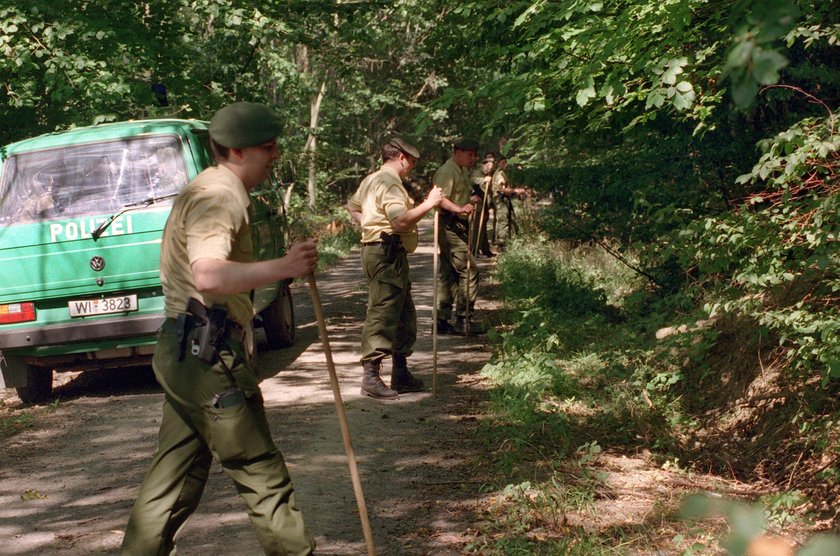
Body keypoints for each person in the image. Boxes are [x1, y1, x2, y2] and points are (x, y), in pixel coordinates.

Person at [121, 102, 318, 556]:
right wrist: (284, 266)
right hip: (207, 354)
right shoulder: (220, 194)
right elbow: (208, 275)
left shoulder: (207, 187)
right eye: (267, 148)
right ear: (234, 150)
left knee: (176, 476)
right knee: (261, 472)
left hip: (184, 351)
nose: (275, 156)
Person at [345, 135, 444, 399]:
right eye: (411, 161)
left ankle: (400, 372)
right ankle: (370, 377)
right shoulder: (389, 183)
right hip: (385, 253)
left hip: (384, 252)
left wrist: (370, 222)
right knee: (383, 312)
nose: (412, 166)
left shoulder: (371, 179)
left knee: (402, 313)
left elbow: (351, 206)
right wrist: (429, 204)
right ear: (401, 158)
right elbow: (400, 222)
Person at [433, 137, 483, 336]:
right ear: (458, 152)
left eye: (475, 155)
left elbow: (457, 196)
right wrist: (459, 209)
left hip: (457, 225)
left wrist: (470, 200)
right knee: (469, 270)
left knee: (449, 272)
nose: (473, 158)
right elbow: (440, 199)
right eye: (470, 154)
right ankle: (464, 319)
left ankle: (442, 319)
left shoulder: (461, 170)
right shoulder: (447, 171)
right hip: (448, 225)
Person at [469, 153, 496, 258]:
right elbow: (473, 180)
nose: (490, 169)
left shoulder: (487, 175)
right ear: (484, 164)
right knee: (477, 226)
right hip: (478, 203)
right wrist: (483, 180)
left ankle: (485, 249)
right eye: (489, 166)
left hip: (485, 204)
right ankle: (474, 249)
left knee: (483, 225)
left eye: (492, 167)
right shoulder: (478, 173)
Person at [492, 155, 521, 250]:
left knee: (510, 219)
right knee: (503, 220)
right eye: (503, 162)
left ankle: (511, 240)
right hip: (501, 199)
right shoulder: (500, 174)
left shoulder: (502, 173)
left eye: (506, 162)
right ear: (498, 163)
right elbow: (502, 189)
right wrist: (516, 191)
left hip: (504, 199)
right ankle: (501, 243)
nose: (505, 165)